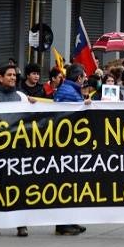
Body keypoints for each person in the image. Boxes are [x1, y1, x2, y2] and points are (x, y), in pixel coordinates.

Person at [0, 64, 31, 238]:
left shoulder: (22, 97)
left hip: (17, 151)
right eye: (9, 75)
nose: (13, 78)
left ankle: (20, 224)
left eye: (15, 76)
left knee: (18, 186)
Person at [51, 64, 89, 236]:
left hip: (69, 144)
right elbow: (72, 114)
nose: (86, 79)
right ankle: (63, 224)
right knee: (65, 184)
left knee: (71, 184)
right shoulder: (68, 91)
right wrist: (84, 104)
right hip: (65, 146)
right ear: (79, 78)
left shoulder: (69, 89)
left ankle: (70, 220)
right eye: (84, 76)